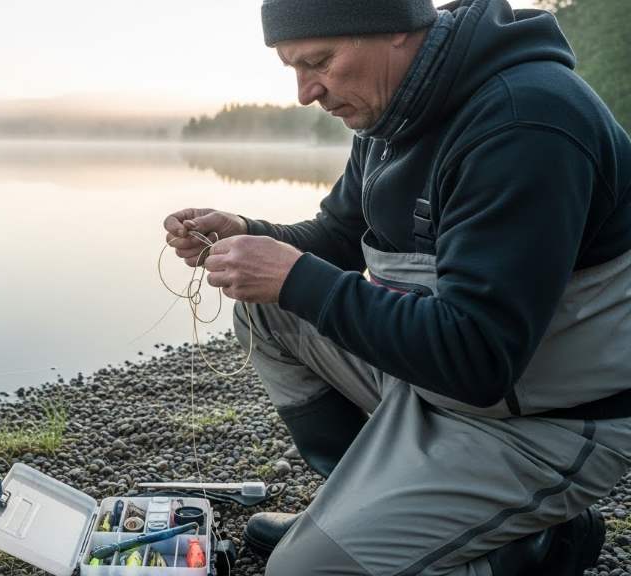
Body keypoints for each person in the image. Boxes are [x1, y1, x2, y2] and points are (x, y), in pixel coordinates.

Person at [163, 0, 631, 574]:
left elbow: (478, 359)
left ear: (397, 33)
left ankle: (537, 547)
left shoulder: (524, 124)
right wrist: (249, 233)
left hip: (540, 420)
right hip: (436, 379)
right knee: (269, 312)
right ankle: (351, 502)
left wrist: (291, 276)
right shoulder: (393, 113)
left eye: (320, 61)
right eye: (293, 68)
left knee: (303, 572)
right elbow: (337, 233)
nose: (306, 93)